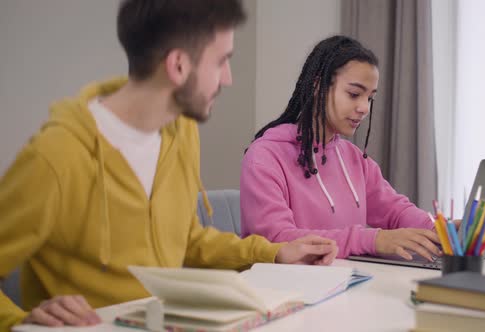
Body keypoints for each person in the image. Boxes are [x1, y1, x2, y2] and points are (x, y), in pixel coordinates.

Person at [0, 1, 338, 329]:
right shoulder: (57, 154)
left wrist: (276, 253)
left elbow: (187, 241)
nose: (228, 78)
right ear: (178, 65)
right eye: (221, 61)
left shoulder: (181, 130)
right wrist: (21, 322)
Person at [240, 35, 441, 263]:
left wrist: (439, 229)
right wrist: (373, 239)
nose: (364, 108)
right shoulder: (264, 157)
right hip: (287, 291)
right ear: (318, 86)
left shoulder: (354, 158)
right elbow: (277, 239)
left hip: (346, 286)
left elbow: (395, 211)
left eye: (370, 98)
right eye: (354, 94)